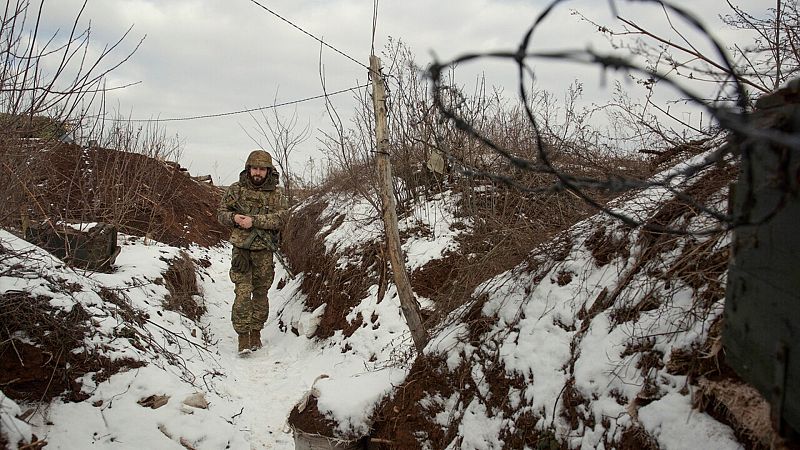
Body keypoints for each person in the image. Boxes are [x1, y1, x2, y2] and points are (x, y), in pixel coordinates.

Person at [217, 150, 288, 355]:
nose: (258, 172)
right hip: (241, 251)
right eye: (255, 168)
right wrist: (235, 219)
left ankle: (256, 332)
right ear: (248, 169)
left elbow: (282, 218)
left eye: (262, 169)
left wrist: (254, 221)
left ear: (268, 171)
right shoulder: (235, 190)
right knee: (242, 293)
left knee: (260, 293)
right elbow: (221, 213)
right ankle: (242, 337)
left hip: (264, 251)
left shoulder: (277, 194)